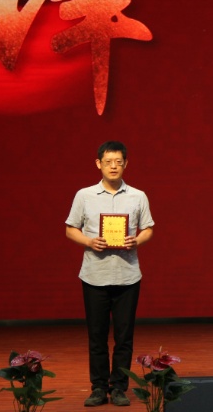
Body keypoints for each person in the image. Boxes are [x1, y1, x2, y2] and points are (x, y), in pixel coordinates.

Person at [65, 141, 154, 407]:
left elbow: (148, 228)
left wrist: (137, 240)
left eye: (118, 162)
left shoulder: (138, 196)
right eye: (108, 162)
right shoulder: (84, 195)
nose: (113, 166)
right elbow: (70, 229)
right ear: (98, 164)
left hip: (128, 276)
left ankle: (119, 388)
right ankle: (98, 387)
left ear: (126, 164)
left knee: (124, 337)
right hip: (95, 275)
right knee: (97, 336)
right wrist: (89, 241)